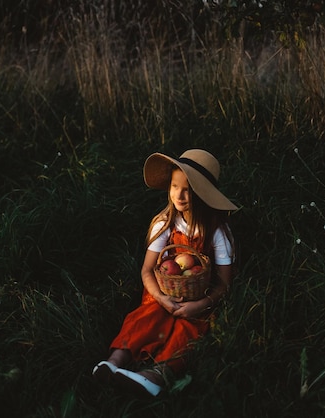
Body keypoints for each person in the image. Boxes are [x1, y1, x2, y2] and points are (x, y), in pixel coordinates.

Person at [92, 149, 238, 397]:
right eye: (174, 186)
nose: (178, 195)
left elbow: (224, 284)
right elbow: (147, 270)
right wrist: (161, 298)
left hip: (199, 297)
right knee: (147, 317)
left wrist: (200, 304)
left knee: (189, 329)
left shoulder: (216, 232)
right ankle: (113, 362)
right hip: (162, 292)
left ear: (202, 194)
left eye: (187, 190)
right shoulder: (165, 223)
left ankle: (155, 375)